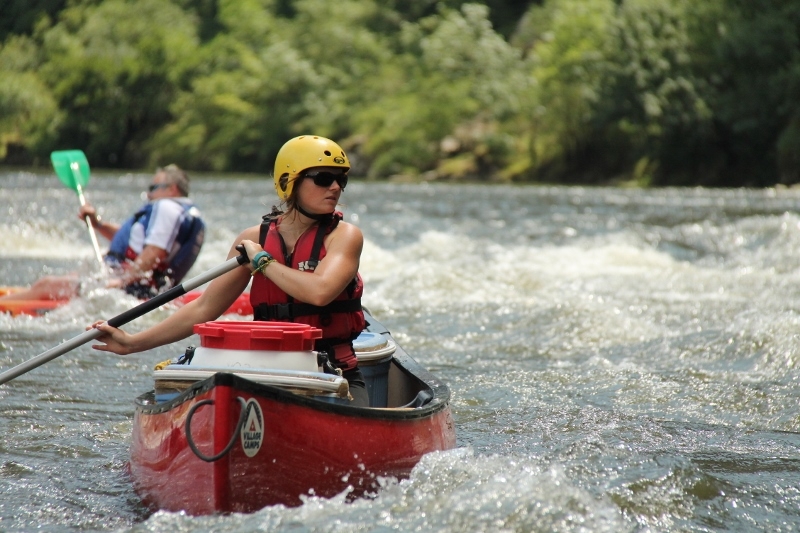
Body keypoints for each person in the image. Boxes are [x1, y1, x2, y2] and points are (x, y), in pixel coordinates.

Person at [88, 135, 370, 406]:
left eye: (340, 179)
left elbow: (320, 292)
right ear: (289, 181)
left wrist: (263, 263)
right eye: (323, 178)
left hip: (333, 375)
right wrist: (132, 343)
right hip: (272, 372)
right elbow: (205, 308)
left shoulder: (345, 236)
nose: (335, 187)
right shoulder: (254, 238)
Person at [0, 164, 205, 302]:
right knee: (60, 280)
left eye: (154, 187)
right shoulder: (182, 213)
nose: (149, 193)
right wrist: (98, 224)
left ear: (172, 189)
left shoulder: (166, 208)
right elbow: (133, 243)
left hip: (127, 289)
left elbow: (154, 253)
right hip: (139, 287)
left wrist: (121, 281)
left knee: (45, 285)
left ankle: (9, 304)